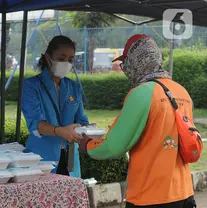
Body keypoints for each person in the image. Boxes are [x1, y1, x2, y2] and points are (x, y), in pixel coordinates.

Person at [78, 34, 198, 207]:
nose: (125, 68)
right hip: (184, 193)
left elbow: (115, 146)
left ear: (137, 60)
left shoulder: (141, 94)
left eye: (125, 62)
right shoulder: (181, 91)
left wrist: (88, 146)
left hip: (150, 196)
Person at [21, 36, 91, 178]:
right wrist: (60, 131)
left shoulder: (74, 87)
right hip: (42, 158)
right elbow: (35, 124)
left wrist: (88, 131)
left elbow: (82, 119)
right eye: (61, 58)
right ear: (48, 58)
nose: (66, 63)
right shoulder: (31, 86)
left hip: (70, 157)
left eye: (70, 60)